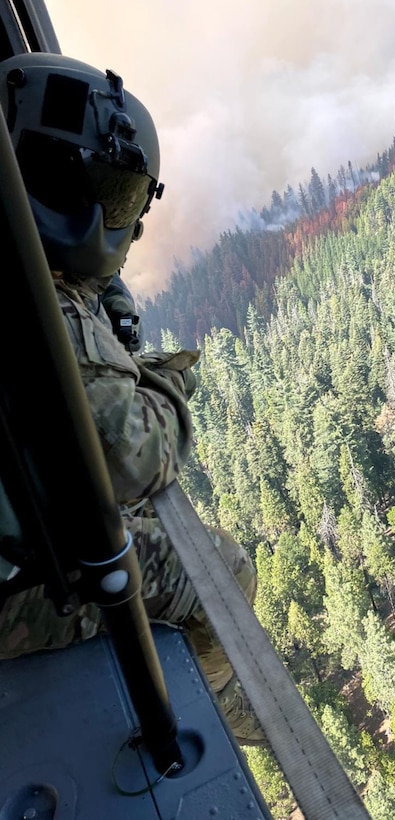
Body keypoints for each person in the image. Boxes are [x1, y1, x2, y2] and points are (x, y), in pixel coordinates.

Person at [0, 52, 264, 745]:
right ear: (57, 190)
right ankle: (198, 713)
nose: (126, 226)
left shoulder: (23, 255)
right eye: (115, 201)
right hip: (17, 584)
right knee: (224, 579)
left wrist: (100, 292)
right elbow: (138, 455)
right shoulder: (38, 306)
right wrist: (168, 383)